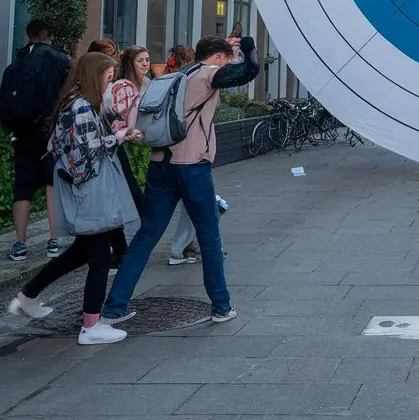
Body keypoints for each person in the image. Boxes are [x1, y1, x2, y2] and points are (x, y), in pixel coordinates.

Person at [101, 35, 260, 324]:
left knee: (145, 237)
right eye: (226, 58)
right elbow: (248, 71)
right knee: (209, 236)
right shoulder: (207, 74)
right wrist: (247, 47)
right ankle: (221, 306)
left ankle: (114, 308)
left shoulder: (173, 76)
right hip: (192, 167)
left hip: (160, 163)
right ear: (217, 58)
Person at [7, 52, 140, 345]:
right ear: (96, 75)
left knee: (80, 252)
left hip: (83, 190)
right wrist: (119, 138)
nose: (112, 82)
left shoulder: (77, 102)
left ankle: (27, 297)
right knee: (101, 256)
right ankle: (91, 326)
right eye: (108, 76)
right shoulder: (80, 107)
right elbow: (88, 153)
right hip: (88, 190)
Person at [2, 20, 69, 262]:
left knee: (22, 188)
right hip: (48, 132)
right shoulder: (59, 59)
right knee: (52, 186)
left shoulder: (16, 63)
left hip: (21, 133)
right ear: (48, 35)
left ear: (29, 36)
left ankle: (19, 244)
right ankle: (53, 241)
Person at [107, 46, 152, 266]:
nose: (145, 64)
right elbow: (126, 119)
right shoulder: (123, 86)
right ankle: (127, 247)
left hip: (138, 146)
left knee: (133, 194)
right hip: (121, 147)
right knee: (132, 194)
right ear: (129, 64)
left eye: (147, 60)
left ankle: (125, 248)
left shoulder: (145, 84)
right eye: (140, 61)